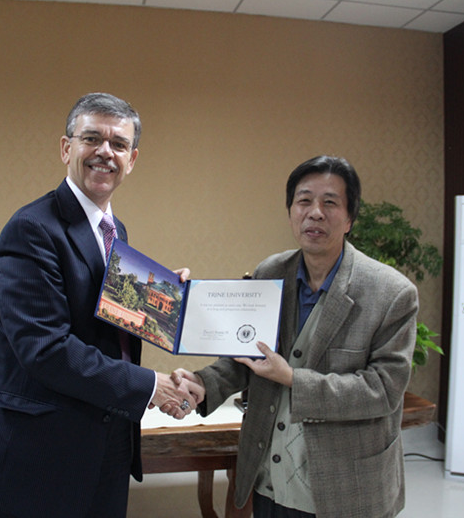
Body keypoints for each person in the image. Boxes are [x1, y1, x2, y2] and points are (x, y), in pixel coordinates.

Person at [0, 92, 200, 518]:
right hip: (42, 459)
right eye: (92, 138)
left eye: (119, 144)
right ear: (66, 148)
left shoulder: (115, 231)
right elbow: (46, 349)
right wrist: (150, 386)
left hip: (106, 442)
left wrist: (164, 298)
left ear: (132, 159)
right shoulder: (32, 228)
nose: (105, 152)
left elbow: (101, 318)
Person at [175, 155, 419, 518]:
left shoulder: (391, 293)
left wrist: (291, 378)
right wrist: (202, 383)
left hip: (345, 488)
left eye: (330, 203)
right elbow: (248, 354)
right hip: (269, 479)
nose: (315, 213)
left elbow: (382, 391)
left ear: (350, 218)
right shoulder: (271, 272)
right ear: (291, 211)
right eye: (304, 201)